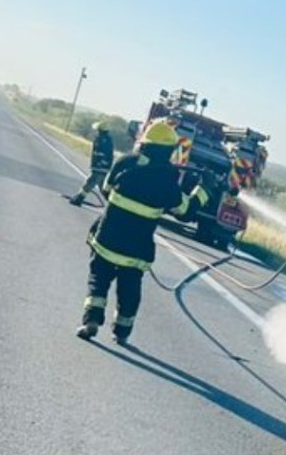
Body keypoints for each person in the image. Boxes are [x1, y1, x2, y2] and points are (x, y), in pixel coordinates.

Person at [76, 120, 211, 344]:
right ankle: (121, 333)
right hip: (135, 252)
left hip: (106, 241)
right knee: (129, 292)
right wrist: (205, 189)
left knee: (98, 282)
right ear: (169, 150)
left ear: (144, 143)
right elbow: (185, 211)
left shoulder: (125, 162)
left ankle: (91, 321)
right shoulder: (167, 178)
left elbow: (107, 188)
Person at [69, 121, 116, 206]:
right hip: (102, 167)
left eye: (97, 130)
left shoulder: (103, 140)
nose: (96, 131)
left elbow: (105, 155)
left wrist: (101, 164)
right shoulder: (105, 139)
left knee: (90, 183)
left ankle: (79, 199)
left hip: (100, 168)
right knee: (103, 189)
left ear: (100, 130)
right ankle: (112, 205)